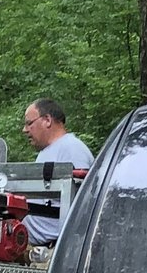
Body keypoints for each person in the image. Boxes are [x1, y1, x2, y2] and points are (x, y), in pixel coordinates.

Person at [19, 98, 93, 244]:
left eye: (29, 123)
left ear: (47, 120)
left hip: (54, 249)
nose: (25, 129)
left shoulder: (72, 149)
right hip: (35, 249)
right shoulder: (47, 152)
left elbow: (83, 207)